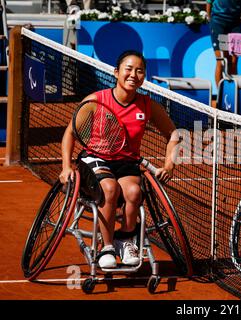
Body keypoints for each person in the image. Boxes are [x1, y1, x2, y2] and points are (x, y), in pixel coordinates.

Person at [59, 50, 179, 269]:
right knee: (109, 188)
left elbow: (173, 135)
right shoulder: (96, 100)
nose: (134, 75)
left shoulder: (147, 105)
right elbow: (70, 133)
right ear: (116, 72)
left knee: (134, 192)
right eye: (129, 69)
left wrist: (169, 164)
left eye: (140, 71)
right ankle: (106, 247)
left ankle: (124, 240)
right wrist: (66, 167)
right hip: (94, 159)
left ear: (144, 77)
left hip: (126, 163)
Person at [206, 0, 241, 87]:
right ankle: (220, 95)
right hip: (218, 22)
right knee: (221, 60)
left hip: (235, 23)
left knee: (234, 62)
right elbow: (209, 2)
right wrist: (210, 19)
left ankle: (233, 93)